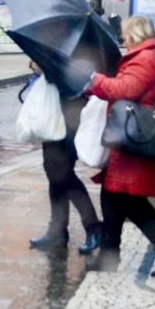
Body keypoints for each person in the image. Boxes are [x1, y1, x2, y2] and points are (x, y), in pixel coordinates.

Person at [86, 15, 155, 277]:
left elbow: (125, 90)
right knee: (113, 196)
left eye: (125, 35)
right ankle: (110, 257)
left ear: (134, 35)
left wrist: (96, 80)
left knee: (131, 202)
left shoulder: (145, 59)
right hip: (135, 136)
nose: (123, 40)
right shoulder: (153, 56)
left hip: (136, 138)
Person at [23, 60, 103, 254]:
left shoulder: (75, 44)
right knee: (53, 171)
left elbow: (76, 74)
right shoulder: (58, 39)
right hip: (54, 114)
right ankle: (57, 231)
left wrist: (46, 67)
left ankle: (93, 227)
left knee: (62, 173)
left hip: (70, 115)